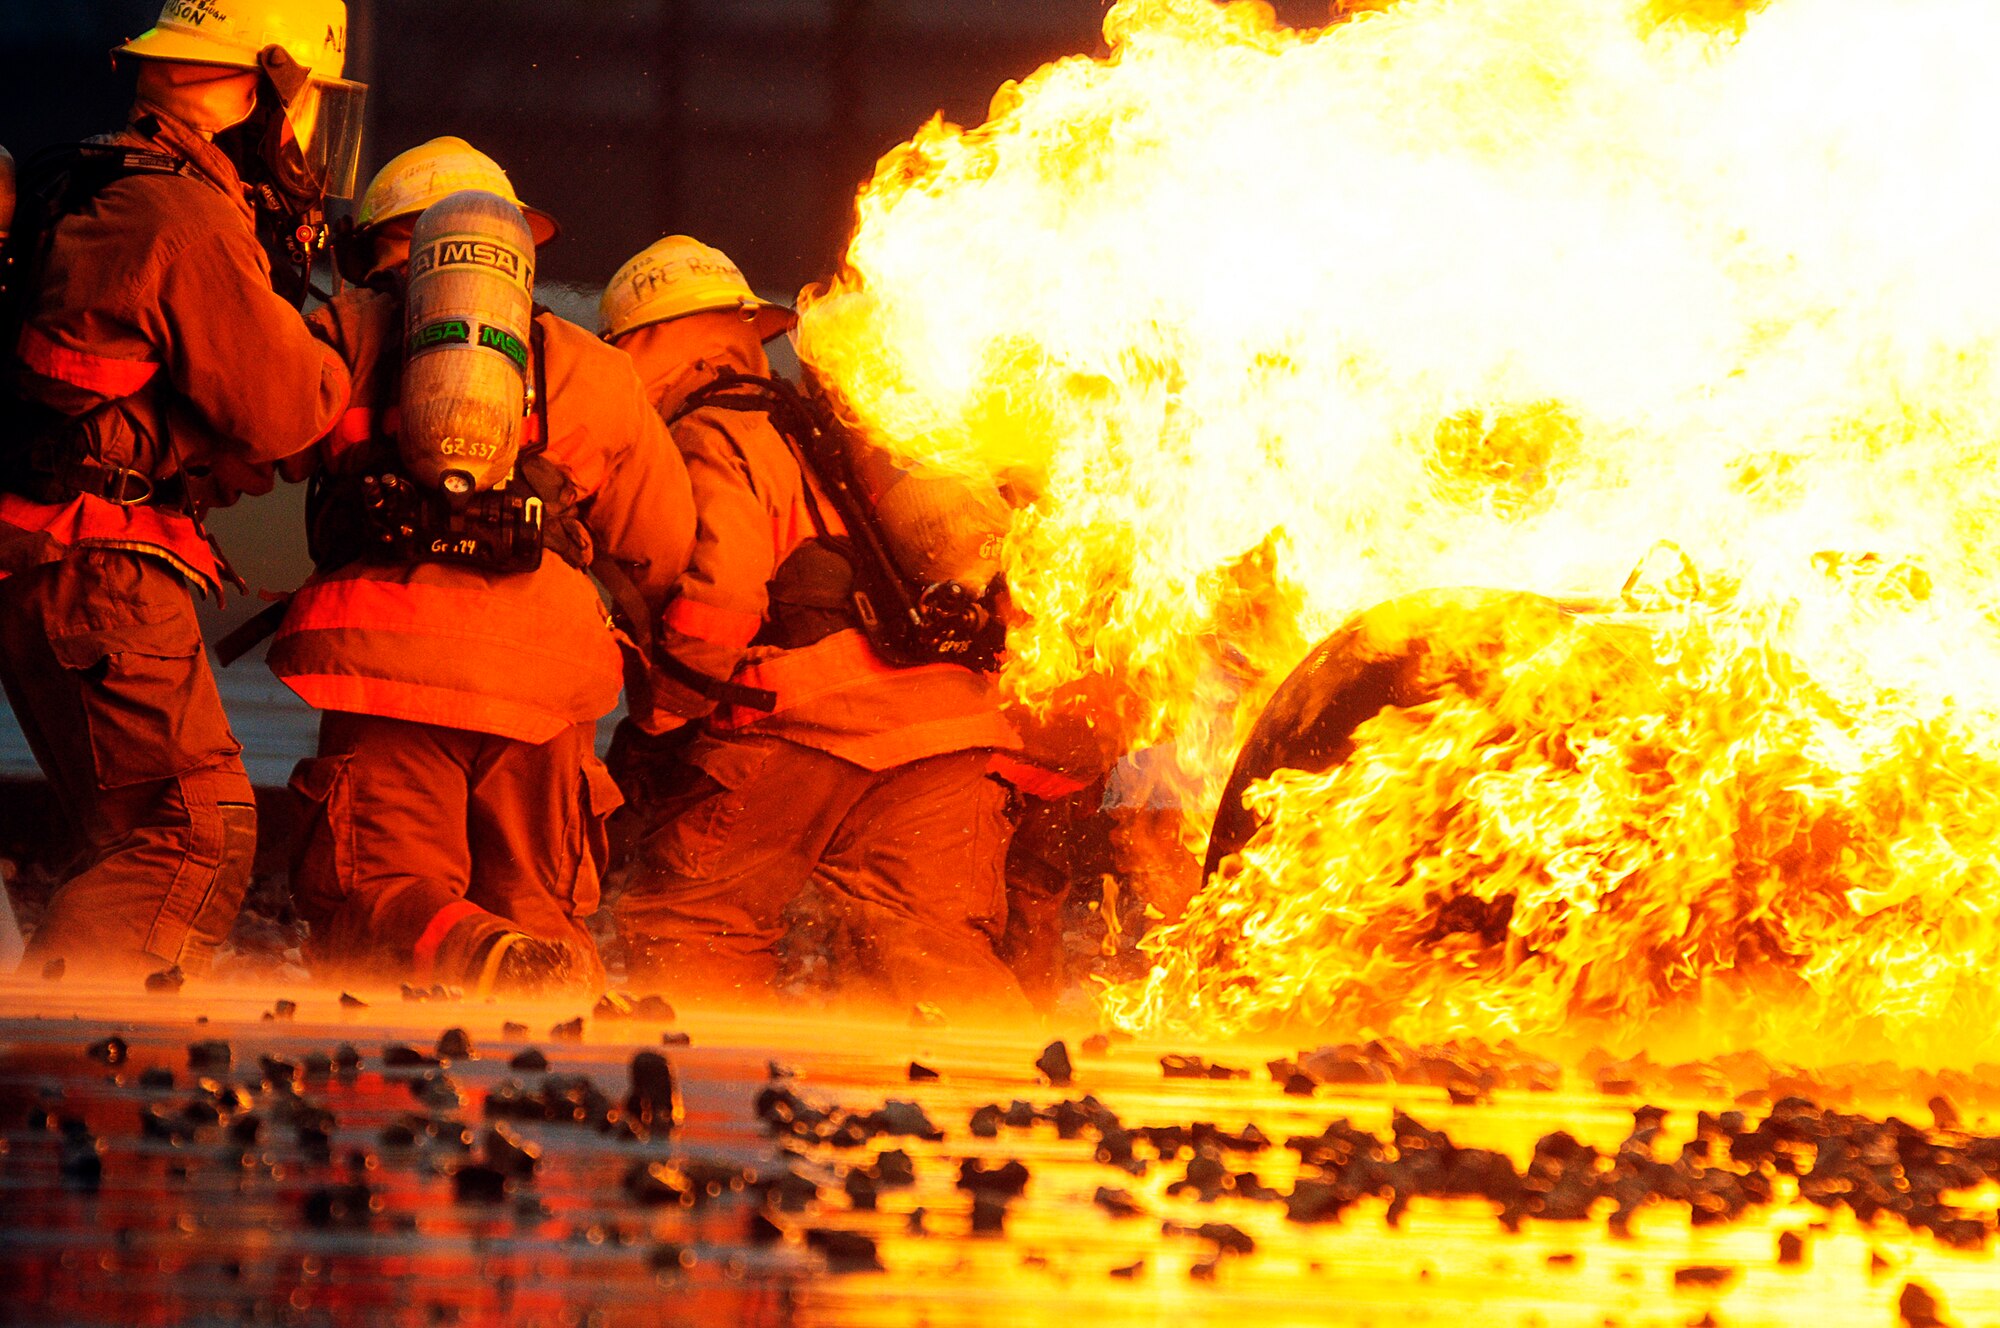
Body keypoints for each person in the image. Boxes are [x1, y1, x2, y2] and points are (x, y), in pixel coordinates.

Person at [266, 140, 695, 994]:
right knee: (540, 899)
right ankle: (556, 1069)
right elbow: (661, 544)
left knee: (384, 887)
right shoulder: (596, 369)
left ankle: (472, 966)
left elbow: (257, 436)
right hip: (547, 676)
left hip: (382, 660)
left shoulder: (345, 332)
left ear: (384, 240)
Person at [0, 0, 362, 979]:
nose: (307, 140)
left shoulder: (90, 172)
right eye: (307, 109)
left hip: (50, 557)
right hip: (95, 571)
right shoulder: (185, 218)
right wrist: (351, 339)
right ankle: (80, 1073)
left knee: (127, 833)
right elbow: (284, 408)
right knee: (187, 835)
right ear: (263, 85)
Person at [599, 235, 1045, 1022]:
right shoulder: (841, 426)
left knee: (690, 926)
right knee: (932, 959)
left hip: (809, 726)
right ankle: (1005, 1110)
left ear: (643, 344)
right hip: (952, 727)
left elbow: (722, 601)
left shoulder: (716, 434)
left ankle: (710, 1117)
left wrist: (664, 712)